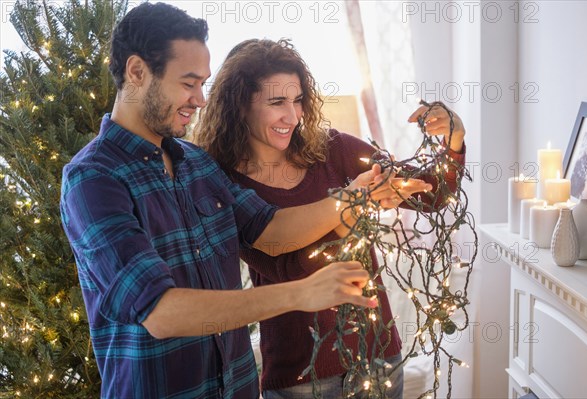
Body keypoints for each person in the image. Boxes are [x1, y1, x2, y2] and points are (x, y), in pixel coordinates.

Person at [59, 4, 404, 399]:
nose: (200, 99)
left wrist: (353, 197)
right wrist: (301, 292)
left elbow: (271, 229)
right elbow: (161, 312)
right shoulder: (93, 179)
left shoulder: (198, 165)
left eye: (203, 84)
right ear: (137, 72)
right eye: (188, 83)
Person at [194, 39, 466, 398]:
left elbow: (431, 194)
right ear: (240, 106)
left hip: (378, 359)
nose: (292, 116)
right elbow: (290, 269)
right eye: (277, 103)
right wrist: (351, 206)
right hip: (300, 376)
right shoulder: (225, 183)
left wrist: (454, 137)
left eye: (297, 100)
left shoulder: (332, 150)